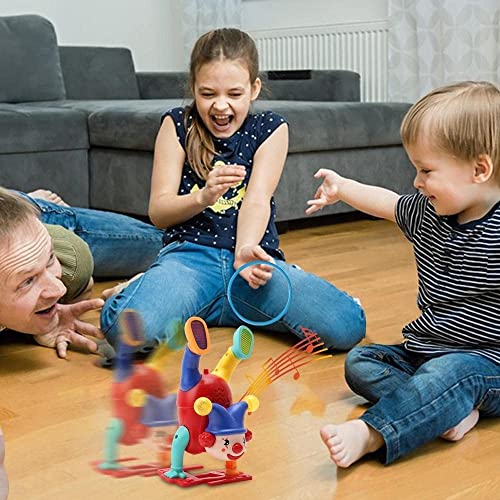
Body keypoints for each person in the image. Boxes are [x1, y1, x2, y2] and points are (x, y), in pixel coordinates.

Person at [100, 28, 365, 351]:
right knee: (128, 332)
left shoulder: (270, 128)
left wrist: (245, 252)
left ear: (254, 89)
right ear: (193, 88)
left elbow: (256, 201)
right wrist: (203, 197)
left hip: (250, 264)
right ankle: (148, 287)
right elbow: (159, 212)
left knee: (346, 327)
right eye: (208, 94)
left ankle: (200, 305)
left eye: (234, 94)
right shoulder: (176, 125)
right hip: (189, 261)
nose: (220, 106)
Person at [306, 81, 500, 467]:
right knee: (360, 363)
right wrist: (343, 188)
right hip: (424, 351)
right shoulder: (427, 213)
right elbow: (388, 203)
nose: (416, 182)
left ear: (479, 169)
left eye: (426, 170)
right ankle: (446, 408)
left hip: (486, 365)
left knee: (454, 370)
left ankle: (372, 433)